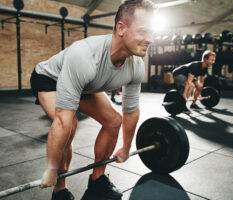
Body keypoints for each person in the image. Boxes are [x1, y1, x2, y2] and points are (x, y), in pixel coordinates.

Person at [29, 0, 155, 199]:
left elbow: (130, 111)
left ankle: (97, 180)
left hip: (87, 83)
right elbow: (62, 121)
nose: (150, 39)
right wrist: (52, 168)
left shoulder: (136, 65)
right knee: (69, 125)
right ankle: (60, 189)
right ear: (121, 28)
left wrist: (127, 147)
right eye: (144, 31)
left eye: (152, 32)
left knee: (113, 121)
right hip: (49, 79)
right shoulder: (85, 55)